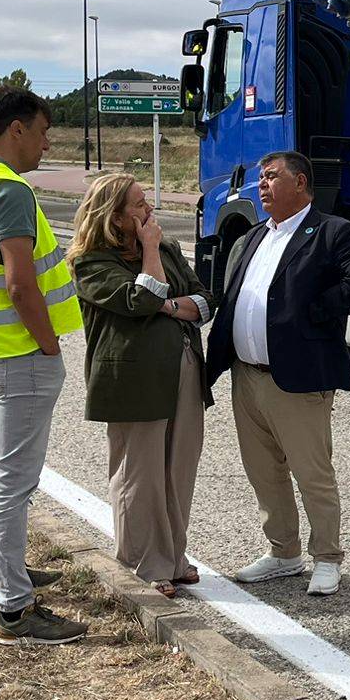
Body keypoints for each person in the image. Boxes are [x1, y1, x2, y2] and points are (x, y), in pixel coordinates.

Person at [0, 83, 89, 646]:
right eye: (44, 132)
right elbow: (20, 284)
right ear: (17, 129)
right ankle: (14, 608)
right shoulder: (8, 190)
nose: (47, 144)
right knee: (13, 481)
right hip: (22, 352)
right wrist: (49, 346)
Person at [204, 150, 350, 596]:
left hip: (298, 377)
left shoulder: (331, 231)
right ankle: (283, 553)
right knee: (264, 471)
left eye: (271, 176)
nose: (261, 184)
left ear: (300, 183)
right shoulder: (255, 236)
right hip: (247, 376)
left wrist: (312, 315)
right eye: (261, 177)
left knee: (311, 473)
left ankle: (327, 558)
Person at [69, 174, 211, 598]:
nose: (150, 210)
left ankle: (174, 557)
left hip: (183, 369)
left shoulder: (168, 249)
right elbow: (141, 300)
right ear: (114, 216)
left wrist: (168, 305)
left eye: (146, 200)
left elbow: (204, 301)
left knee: (178, 470)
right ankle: (143, 563)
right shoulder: (92, 261)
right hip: (133, 379)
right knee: (139, 474)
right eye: (138, 205)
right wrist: (150, 254)